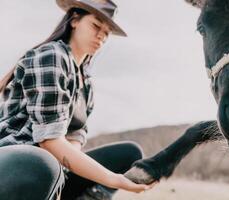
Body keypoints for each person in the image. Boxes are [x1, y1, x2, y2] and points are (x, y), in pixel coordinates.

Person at [0, 0, 156, 199]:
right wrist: (112, 178)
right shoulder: (52, 56)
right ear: (74, 20)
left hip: (53, 168)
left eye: (107, 33)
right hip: (16, 162)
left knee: (129, 153)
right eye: (96, 26)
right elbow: (49, 141)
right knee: (44, 161)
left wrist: (68, 168)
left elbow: (75, 138)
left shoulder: (86, 84)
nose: (101, 36)